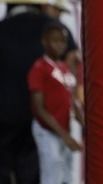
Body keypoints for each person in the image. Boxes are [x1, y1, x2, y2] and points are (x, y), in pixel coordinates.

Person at [0, 0, 74, 184]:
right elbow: (73, 58)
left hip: (0, 115)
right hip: (39, 115)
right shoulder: (53, 28)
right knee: (32, 172)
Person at [28, 21, 82, 184]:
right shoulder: (39, 68)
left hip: (65, 127)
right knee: (52, 174)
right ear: (45, 41)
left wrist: (85, 123)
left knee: (67, 175)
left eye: (63, 41)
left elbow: (72, 101)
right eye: (55, 41)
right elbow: (39, 108)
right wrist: (64, 136)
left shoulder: (65, 67)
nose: (60, 45)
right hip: (48, 129)